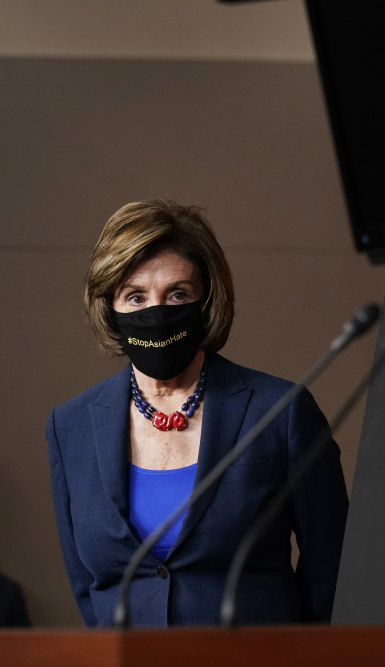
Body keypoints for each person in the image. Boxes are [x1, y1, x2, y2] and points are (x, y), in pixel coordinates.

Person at [46, 200, 349, 626]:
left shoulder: (280, 411)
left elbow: (331, 569)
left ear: (206, 301)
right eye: (135, 296)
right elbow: (88, 587)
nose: (157, 311)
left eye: (177, 294)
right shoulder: (70, 426)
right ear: (109, 309)